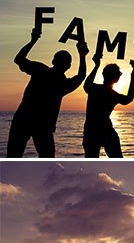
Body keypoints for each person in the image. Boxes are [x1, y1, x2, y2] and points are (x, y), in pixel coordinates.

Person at [7, 27, 87, 157]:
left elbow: (19, 59)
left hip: (25, 121)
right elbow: (81, 76)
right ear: (68, 66)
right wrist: (82, 55)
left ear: (53, 61)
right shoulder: (62, 84)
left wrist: (33, 41)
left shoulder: (40, 70)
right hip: (39, 126)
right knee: (46, 157)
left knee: (14, 156)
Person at [82, 54, 134, 157]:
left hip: (91, 130)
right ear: (116, 78)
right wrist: (133, 76)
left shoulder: (94, 89)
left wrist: (96, 65)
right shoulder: (112, 95)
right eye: (119, 74)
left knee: (91, 159)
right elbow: (129, 98)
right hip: (104, 130)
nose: (119, 76)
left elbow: (86, 85)